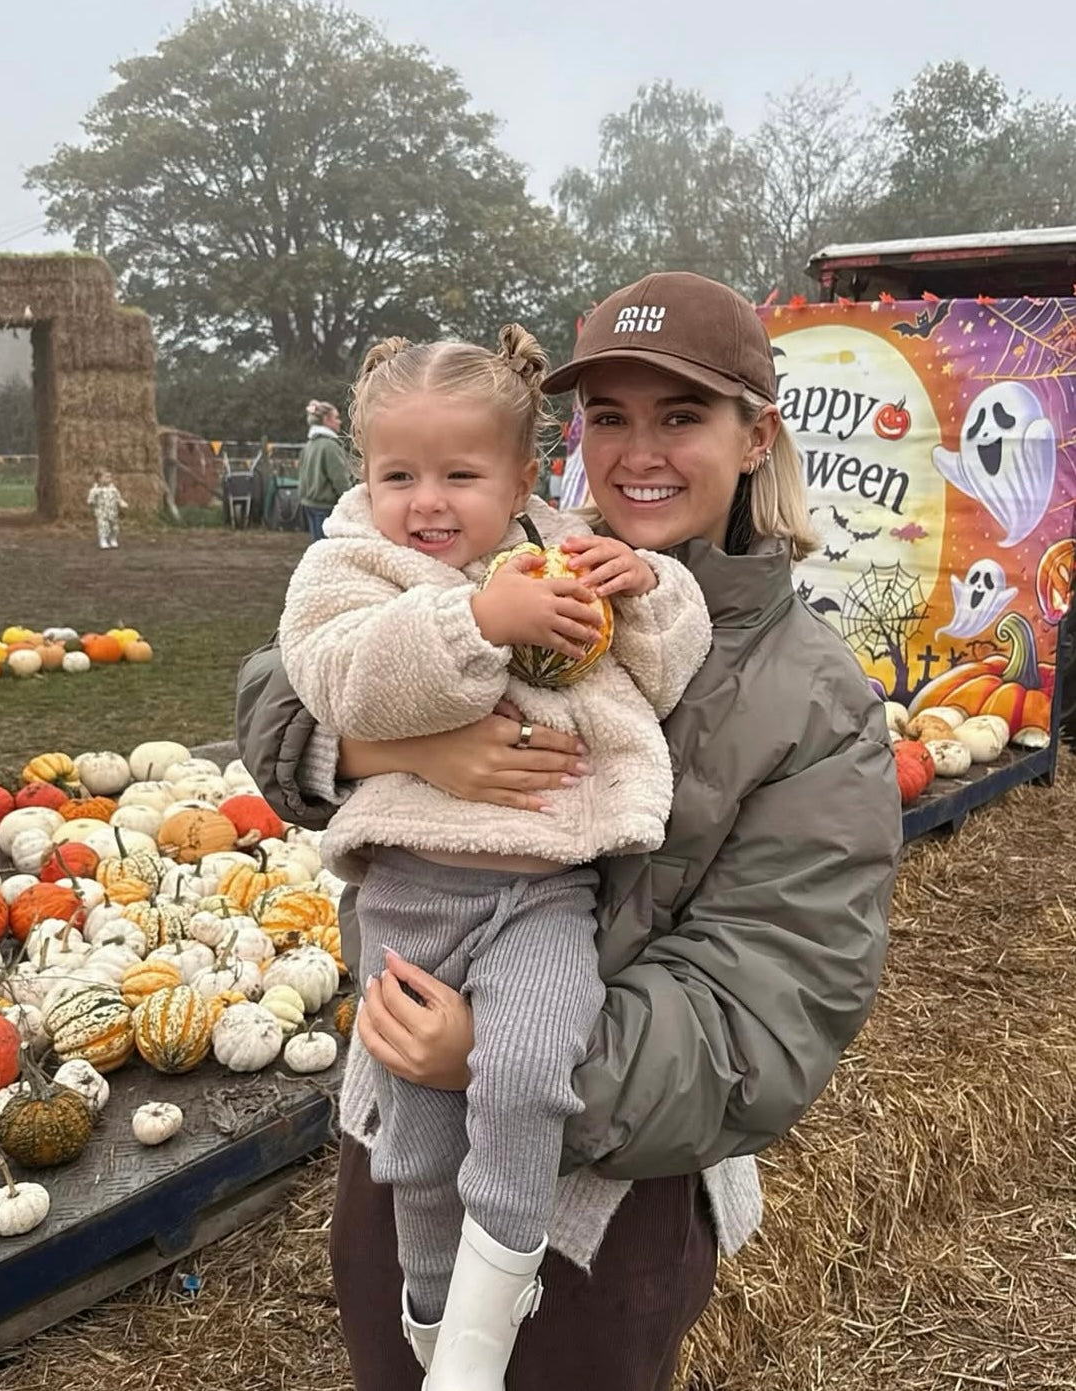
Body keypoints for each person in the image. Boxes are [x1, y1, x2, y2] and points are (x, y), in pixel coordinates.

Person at [236, 270, 903, 1391]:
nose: (638, 452)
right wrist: (390, 753)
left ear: (755, 437)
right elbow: (282, 676)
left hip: (603, 1202)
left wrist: (499, 1053)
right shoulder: (502, 546)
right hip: (396, 1141)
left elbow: (771, 1000)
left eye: (680, 416)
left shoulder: (815, 699)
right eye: (608, 416)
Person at [277, 325, 712, 1387]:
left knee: (525, 1068)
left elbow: (658, 670)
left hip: (545, 892)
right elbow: (338, 677)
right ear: (364, 474)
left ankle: (488, 1307)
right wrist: (477, 620)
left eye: (460, 475)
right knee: (417, 1140)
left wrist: (646, 588)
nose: (426, 502)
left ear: (523, 477)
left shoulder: (566, 549)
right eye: (398, 475)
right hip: (412, 897)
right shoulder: (349, 564)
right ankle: (433, 1315)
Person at [297, 399, 351, 540]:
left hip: (309, 505)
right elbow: (340, 480)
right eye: (336, 418)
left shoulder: (309, 445)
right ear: (327, 420)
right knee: (329, 549)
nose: (339, 422)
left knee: (317, 546)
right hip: (326, 508)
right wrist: (351, 502)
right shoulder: (330, 446)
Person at [86, 468, 127, 549]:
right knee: (103, 526)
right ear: (99, 479)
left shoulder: (113, 489)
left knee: (114, 527)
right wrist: (91, 502)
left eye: (110, 477)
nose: (109, 479)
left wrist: (121, 503)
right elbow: (90, 499)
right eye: (106, 477)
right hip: (101, 512)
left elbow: (118, 498)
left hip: (113, 512)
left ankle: (113, 539)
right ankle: (103, 540)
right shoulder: (95, 490)